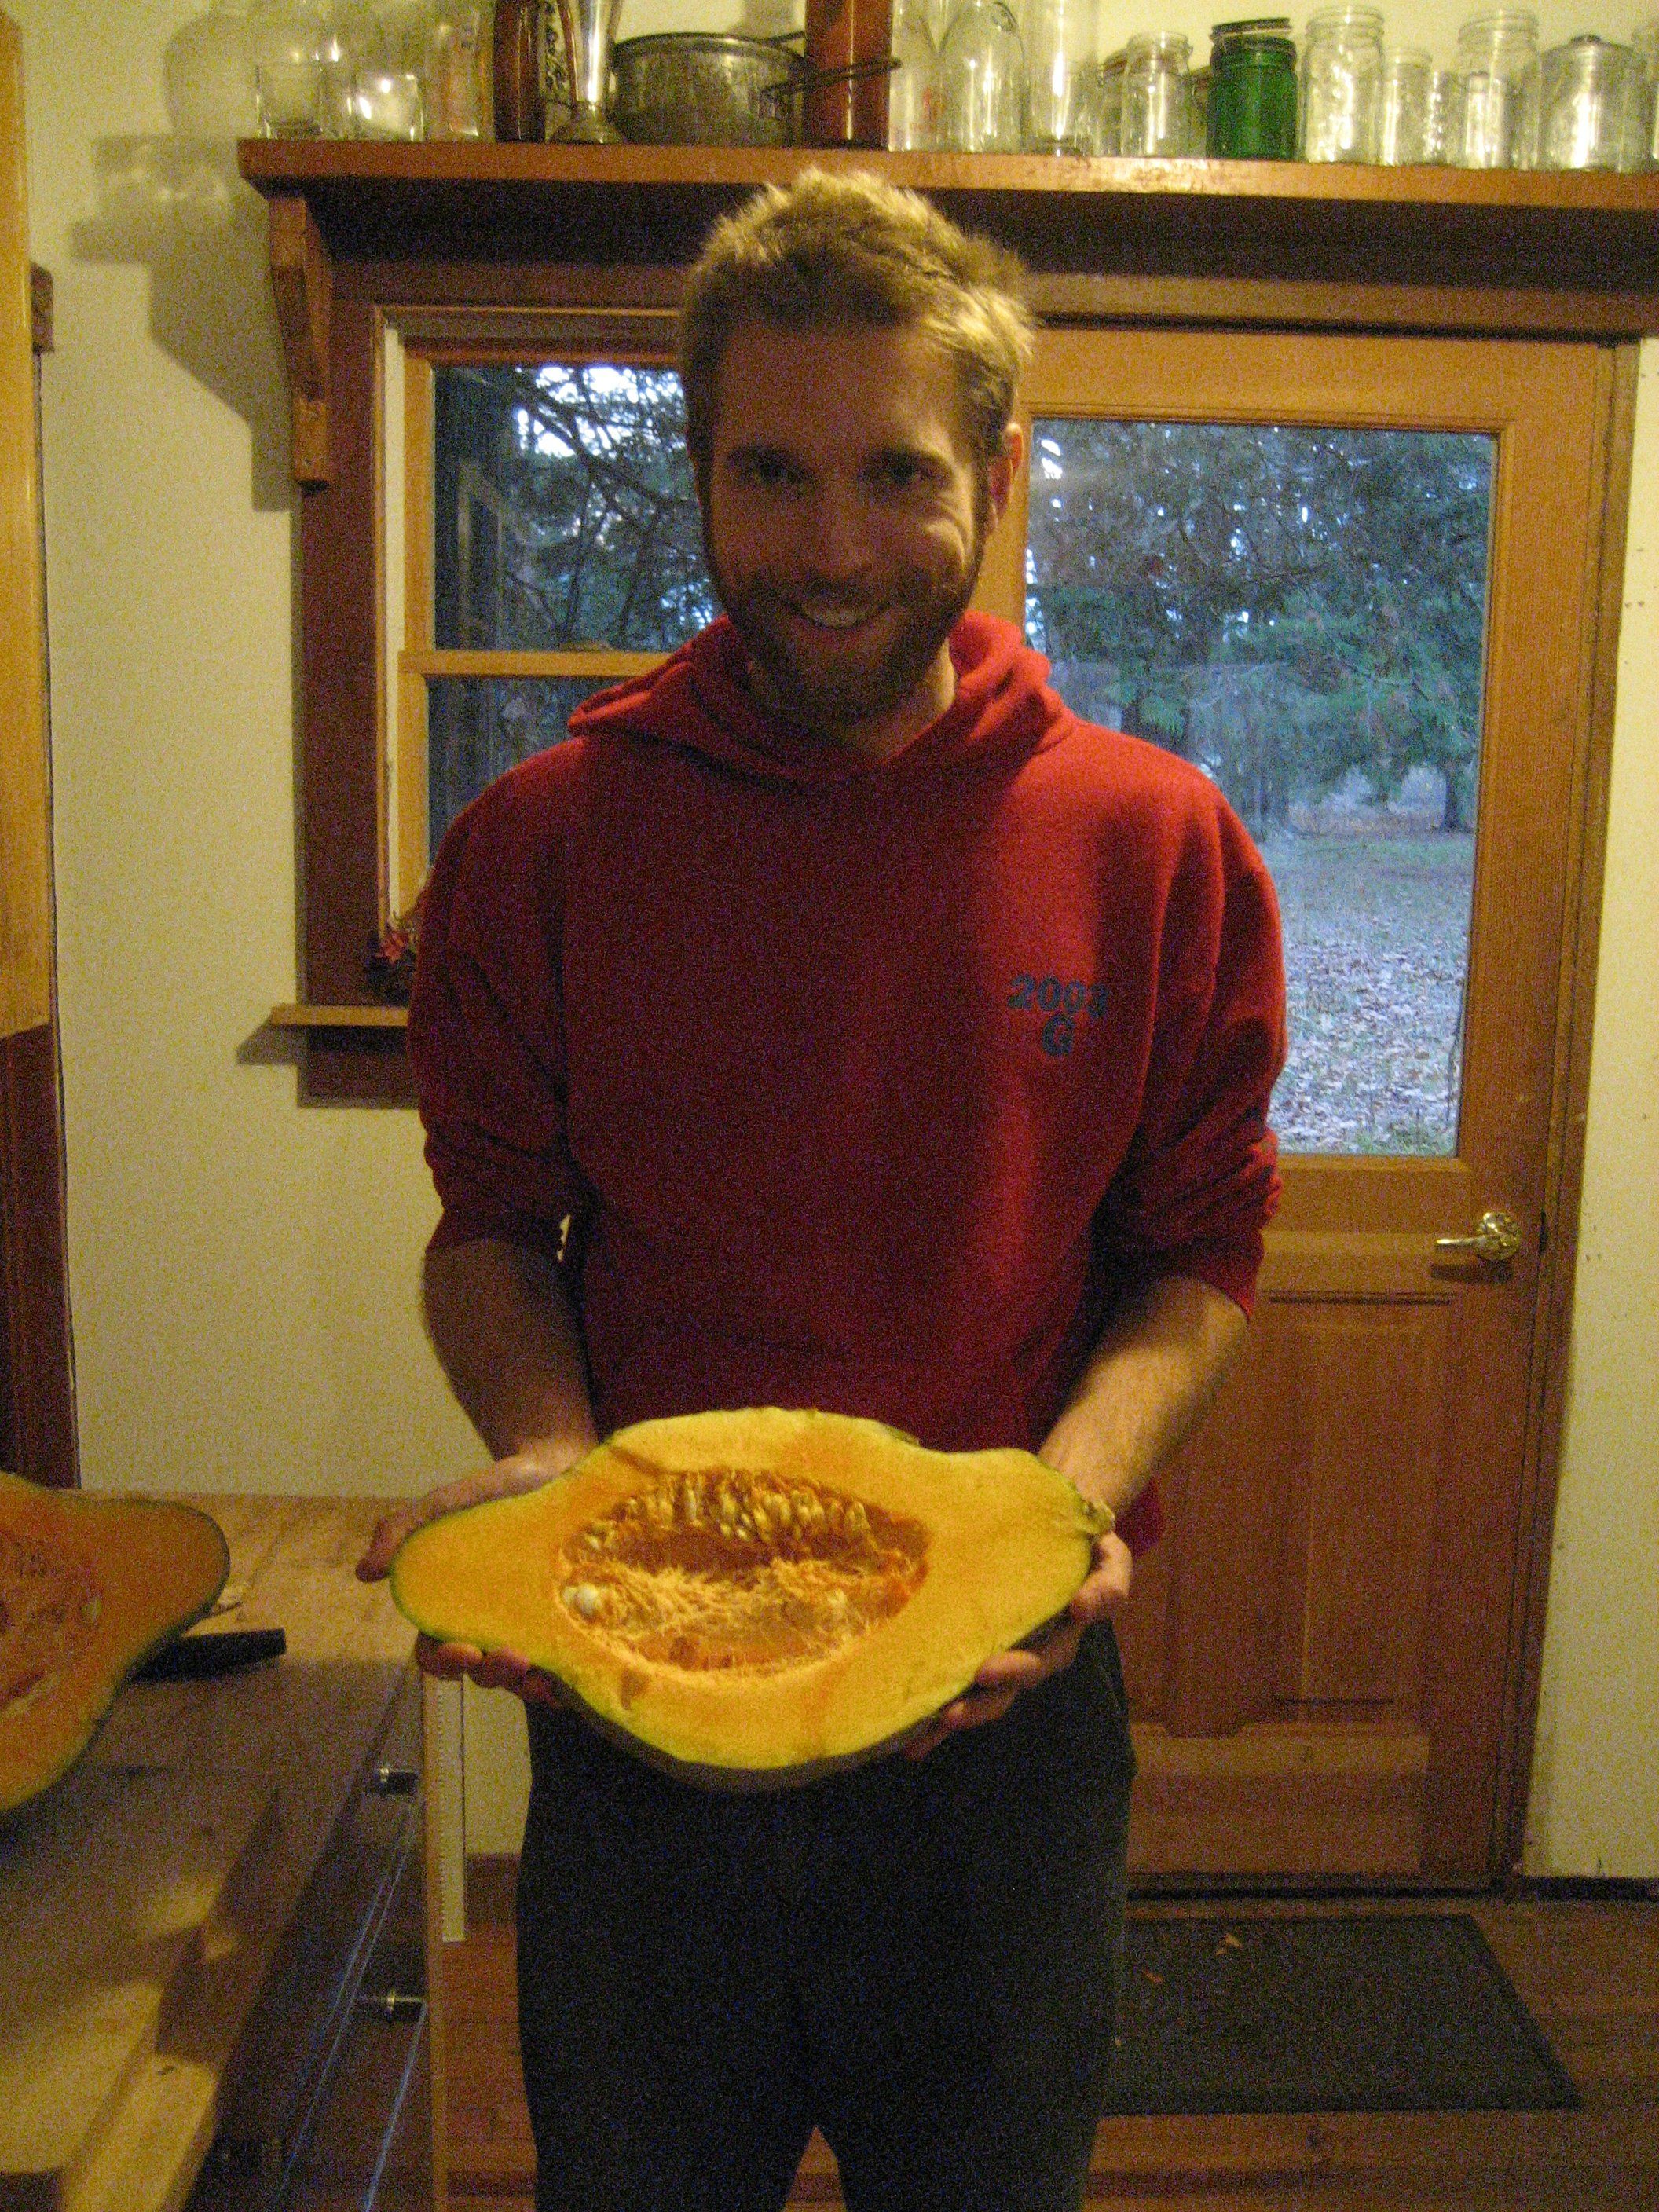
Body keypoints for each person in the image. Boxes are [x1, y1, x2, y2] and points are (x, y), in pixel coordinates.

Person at [358, 168, 1286, 2212]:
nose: (837, 546)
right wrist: (547, 1457)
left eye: (898, 473)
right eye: (771, 473)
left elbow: (1197, 1255)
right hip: (641, 1731)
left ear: (998, 476)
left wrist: (1058, 1510)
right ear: (700, 472)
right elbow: (491, 1225)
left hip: (1007, 1745)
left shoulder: (1157, 843)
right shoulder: (541, 842)